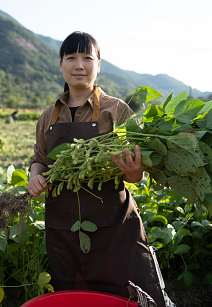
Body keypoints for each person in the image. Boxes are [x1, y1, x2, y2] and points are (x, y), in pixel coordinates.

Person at [28, 31, 173, 306]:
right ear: (61, 65)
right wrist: (35, 176)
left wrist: (132, 171)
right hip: (63, 229)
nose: (79, 65)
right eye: (71, 58)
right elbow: (39, 159)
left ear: (99, 64)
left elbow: (136, 173)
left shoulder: (116, 111)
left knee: (132, 295)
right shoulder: (49, 114)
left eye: (87, 58)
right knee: (74, 297)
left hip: (114, 228)